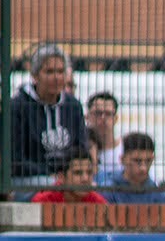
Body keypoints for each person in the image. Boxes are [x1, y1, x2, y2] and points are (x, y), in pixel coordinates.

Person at [6, 42, 88, 197]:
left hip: (66, 178)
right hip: (28, 179)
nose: (56, 77)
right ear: (35, 75)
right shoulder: (17, 106)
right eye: (49, 72)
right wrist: (49, 175)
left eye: (60, 71)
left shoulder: (73, 105)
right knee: (53, 187)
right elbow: (15, 158)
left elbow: (81, 148)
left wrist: (67, 175)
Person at [96, 131, 165, 204]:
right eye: (137, 161)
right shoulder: (107, 191)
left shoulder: (160, 195)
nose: (143, 168)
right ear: (122, 159)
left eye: (148, 161)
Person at [31, 153, 108, 204]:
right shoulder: (43, 201)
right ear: (61, 177)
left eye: (89, 172)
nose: (85, 178)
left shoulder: (98, 203)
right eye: (78, 173)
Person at [85, 91, 122, 176]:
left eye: (108, 114)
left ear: (116, 118)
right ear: (87, 117)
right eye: (98, 113)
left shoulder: (125, 149)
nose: (103, 118)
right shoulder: (79, 151)